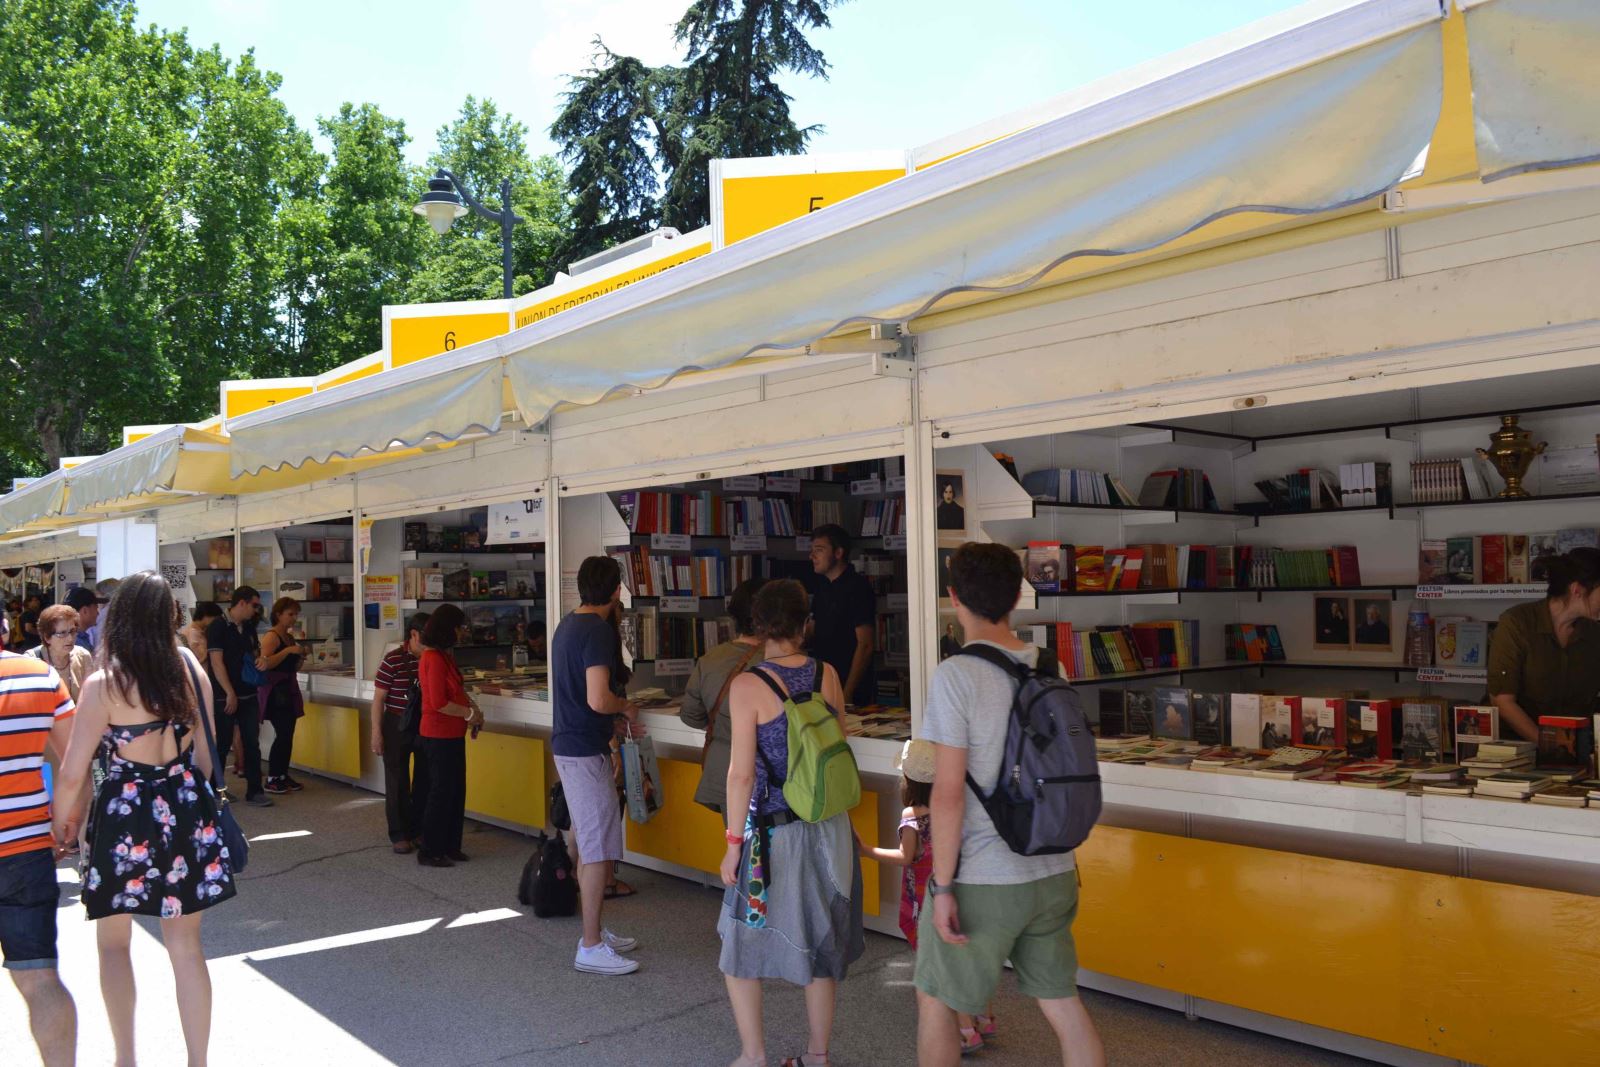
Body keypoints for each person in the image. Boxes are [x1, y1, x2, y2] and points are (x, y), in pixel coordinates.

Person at [915, 542, 1103, 1067]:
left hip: (985, 877)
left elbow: (948, 792)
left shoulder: (957, 675)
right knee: (1063, 1003)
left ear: (954, 597)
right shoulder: (1049, 666)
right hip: (1054, 867)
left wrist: (945, 885)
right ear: (1019, 595)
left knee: (937, 999)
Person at [52, 571, 237, 1067]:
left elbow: (72, 773)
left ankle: (126, 1059)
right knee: (186, 947)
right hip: (184, 806)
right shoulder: (190, 671)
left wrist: (60, 824)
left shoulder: (105, 682)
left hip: (123, 816)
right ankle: (198, 1061)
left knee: (113, 943)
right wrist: (191, 807)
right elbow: (207, 754)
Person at [719, 578, 864, 1067]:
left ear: (758, 626)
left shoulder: (747, 686)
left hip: (773, 835)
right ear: (807, 623)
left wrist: (732, 843)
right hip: (830, 826)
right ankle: (817, 1056)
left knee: (740, 942)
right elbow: (838, 750)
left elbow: (740, 775)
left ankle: (753, 1055)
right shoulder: (827, 673)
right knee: (822, 945)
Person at [862, 739, 991, 1055]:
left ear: (908, 780)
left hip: (927, 899)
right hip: (961, 892)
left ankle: (966, 1032)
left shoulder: (913, 815)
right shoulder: (956, 803)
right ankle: (984, 1019)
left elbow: (906, 857)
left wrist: (866, 851)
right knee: (966, 959)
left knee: (943, 967)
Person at [549, 555, 640, 976]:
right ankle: (589, 944)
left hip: (570, 745)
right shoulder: (599, 633)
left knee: (590, 843)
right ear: (616, 590)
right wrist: (626, 707)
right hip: (585, 750)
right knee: (599, 847)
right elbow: (598, 699)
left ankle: (595, 933)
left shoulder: (566, 625)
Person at [0, 624, 79, 1066]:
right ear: (6, 628)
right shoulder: (42, 676)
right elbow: (72, 762)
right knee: (41, 977)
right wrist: (66, 824)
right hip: (27, 849)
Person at [1489, 547, 1600, 743]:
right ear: (1577, 590)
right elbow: (1503, 701)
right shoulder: (1517, 623)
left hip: (1577, 749)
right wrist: (1551, 746)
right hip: (1519, 750)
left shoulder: (1594, 632)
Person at [680, 578, 769, 813]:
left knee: (737, 845)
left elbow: (690, 715)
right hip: (768, 774)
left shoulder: (710, 659)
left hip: (721, 771)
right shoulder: (778, 661)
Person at [415, 605, 483, 868]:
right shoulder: (431, 658)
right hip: (437, 734)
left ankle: (451, 845)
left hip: (453, 733)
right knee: (441, 792)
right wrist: (468, 714)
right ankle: (430, 849)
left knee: (456, 791)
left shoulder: (445, 656)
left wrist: (474, 711)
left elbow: (457, 691)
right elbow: (437, 702)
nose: (461, 632)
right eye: (458, 627)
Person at [371, 612, 431, 854]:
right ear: (414, 634)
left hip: (425, 724)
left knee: (424, 779)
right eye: (427, 635)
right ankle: (399, 833)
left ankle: (418, 830)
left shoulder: (434, 659)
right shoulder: (393, 660)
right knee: (397, 781)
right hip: (395, 723)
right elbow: (378, 699)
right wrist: (376, 732)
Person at [206, 586, 271, 807]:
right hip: (225, 694)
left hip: (248, 692)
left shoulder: (249, 627)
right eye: (254, 605)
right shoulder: (218, 626)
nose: (256, 610)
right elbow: (216, 662)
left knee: (251, 742)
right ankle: (217, 788)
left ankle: (255, 790)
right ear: (241, 603)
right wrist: (229, 692)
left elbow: (254, 652)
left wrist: (261, 660)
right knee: (223, 743)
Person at [805, 524, 876, 709]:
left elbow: (865, 645)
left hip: (851, 689)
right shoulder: (822, 586)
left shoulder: (858, 588)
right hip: (824, 684)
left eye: (819, 550)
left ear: (838, 553)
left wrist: (847, 693)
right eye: (812, 550)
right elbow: (812, 629)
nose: (812, 556)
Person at [256, 597, 309, 796]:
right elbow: (265, 663)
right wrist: (288, 651)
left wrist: (300, 656)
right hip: (276, 691)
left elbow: (293, 666)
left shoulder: (289, 637)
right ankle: (273, 777)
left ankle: (282, 774)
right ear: (278, 615)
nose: (294, 618)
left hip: (288, 687)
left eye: (296, 614)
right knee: (283, 734)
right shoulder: (272, 637)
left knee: (288, 734)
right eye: (290, 614)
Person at [27, 604, 93, 703]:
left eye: (72, 631)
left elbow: (90, 698)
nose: (70, 638)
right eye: (62, 633)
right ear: (47, 637)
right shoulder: (31, 660)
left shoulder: (83, 656)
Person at [63, 587, 106, 654]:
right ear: (85, 611)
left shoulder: (66, 637)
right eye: (96, 608)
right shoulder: (75, 644)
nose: (98, 613)